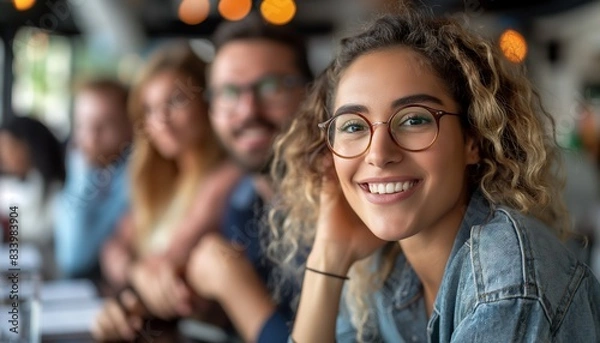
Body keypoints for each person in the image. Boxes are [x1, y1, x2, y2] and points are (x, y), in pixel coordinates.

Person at [268, 8, 600, 342]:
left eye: (414, 119)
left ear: (473, 140)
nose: (379, 154)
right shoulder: (380, 266)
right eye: (353, 126)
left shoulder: (507, 278)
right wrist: (329, 255)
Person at [91, 42, 241, 341]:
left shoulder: (227, 175)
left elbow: (170, 259)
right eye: (149, 109)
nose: (160, 120)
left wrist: (137, 271)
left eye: (175, 101)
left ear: (207, 101)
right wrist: (136, 272)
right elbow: (113, 246)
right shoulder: (161, 183)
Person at [184, 14, 312, 343]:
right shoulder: (244, 198)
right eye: (228, 92)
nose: (248, 110)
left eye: (270, 86)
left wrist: (233, 286)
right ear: (212, 109)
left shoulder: (344, 204)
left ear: (312, 96)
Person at [54, 79, 132, 280]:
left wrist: (82, 174)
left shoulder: (131, 178)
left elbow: (74, 257)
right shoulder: (83, 168)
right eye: (82, 124)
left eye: (105, 124)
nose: (91, 136)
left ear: (129, 126)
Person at [0, 115, 65, 279]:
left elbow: (42, 233)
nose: (4, 156)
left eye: (10, 147)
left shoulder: (57, 191)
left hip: (49, 278)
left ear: (29, 146)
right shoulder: (8, 188)